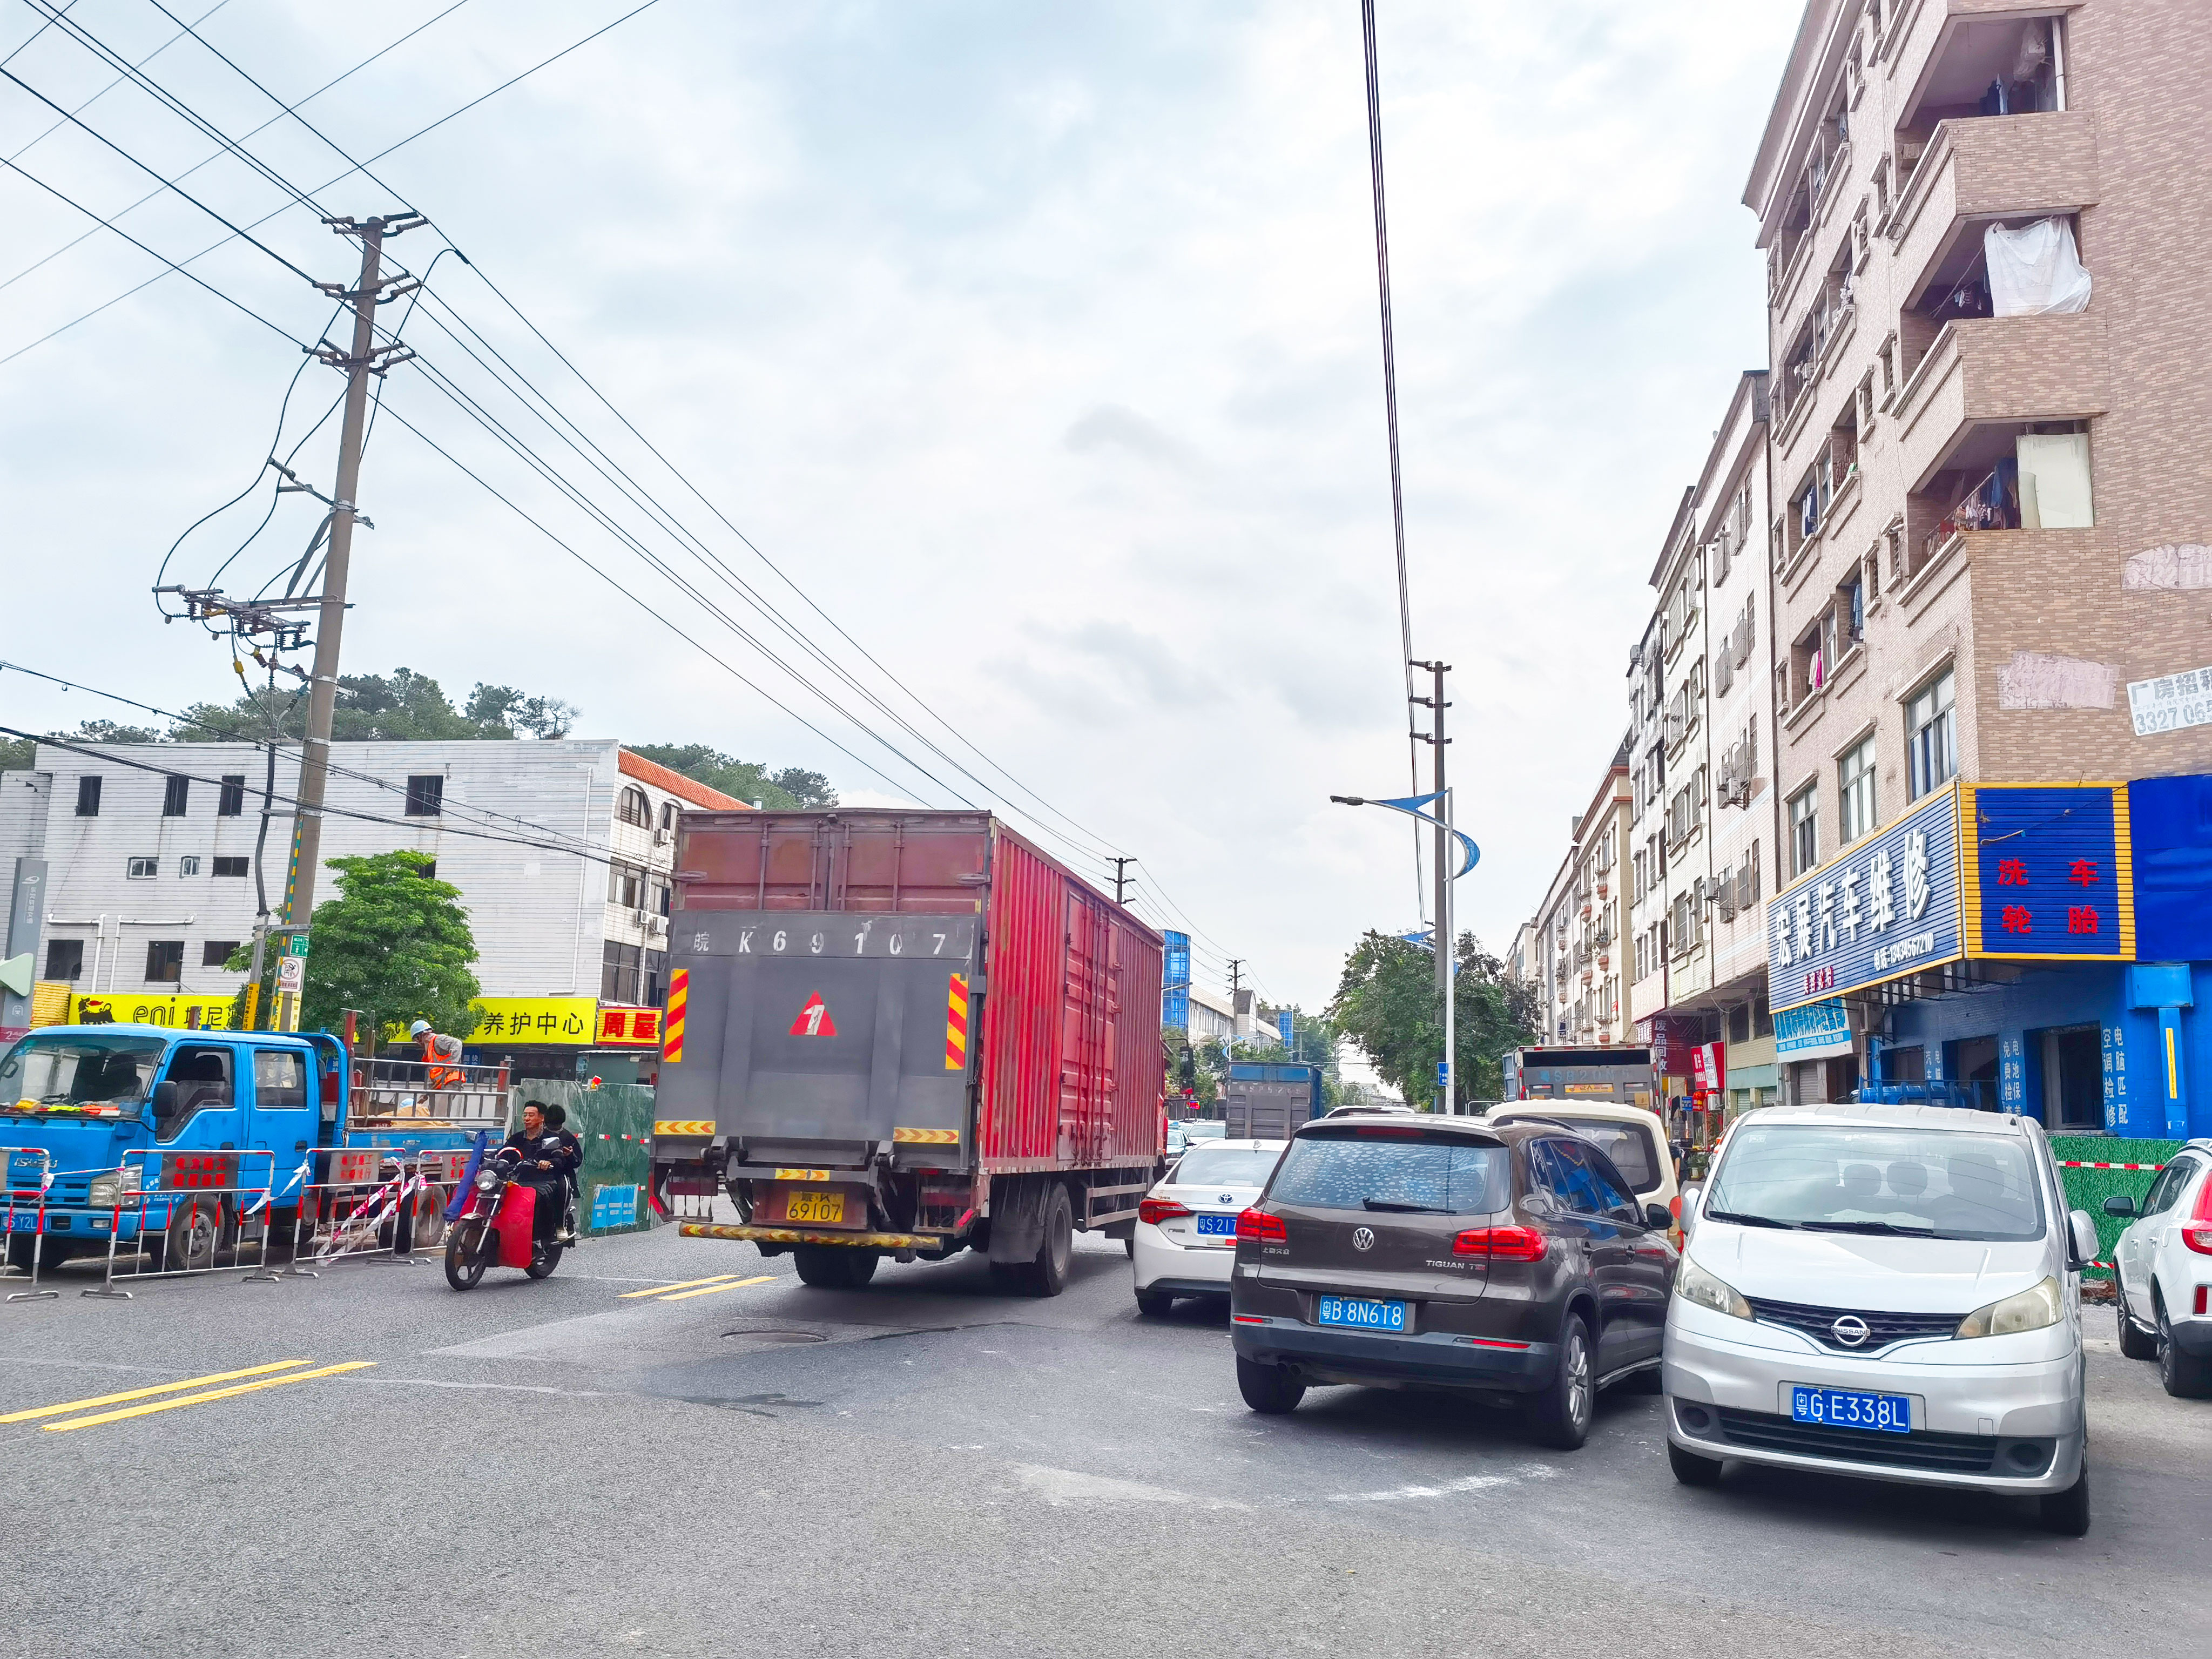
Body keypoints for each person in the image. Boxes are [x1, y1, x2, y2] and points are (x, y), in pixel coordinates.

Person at [500, 1100, 576, 1249]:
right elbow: (503, 1152)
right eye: (525, 1115)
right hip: (519, 1179)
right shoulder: (516, 1138)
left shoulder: (551, 1139)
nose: (527, 1119)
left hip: (543, 1180)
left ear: (542, 1118)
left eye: (531, 1115)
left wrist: (548, 1163)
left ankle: (547, 1232)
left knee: (539, 1199)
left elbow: (559, 1158)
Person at [542, 1102, 585, 1246]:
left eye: (557, 1126)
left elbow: (577, 1161)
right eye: (551, 1126)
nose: (554, 1129)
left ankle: (560, 1225)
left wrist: (569, 1156)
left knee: (562, 1190)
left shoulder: (568, 1138)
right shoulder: (540, 1135)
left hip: (561, 1174)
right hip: (540, 1174)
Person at [410, 1020, 467, 1093]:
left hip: (451, 1081)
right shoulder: (430, 1050)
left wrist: (452, 1065)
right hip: (440, 1084)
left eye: (416, 1040)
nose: (418, 1043)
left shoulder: (438, 1040)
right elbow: (433, 1073)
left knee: (442, 1101)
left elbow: (457, 1043)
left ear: (419, 1037)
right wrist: (426, 1094)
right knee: (433, 1101)